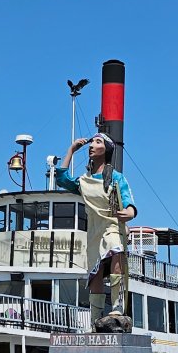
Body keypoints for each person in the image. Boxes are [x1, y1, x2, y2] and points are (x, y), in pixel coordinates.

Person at [55, 133, 137, 328]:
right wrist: (71, 150)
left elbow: (128, 199)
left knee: (116, 249)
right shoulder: (84, 181)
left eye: (97, 142)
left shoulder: (116, 177)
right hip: (94, 231)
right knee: (96, 272)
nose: (92, 145)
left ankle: (117, 305)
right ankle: (95, 316)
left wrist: (129, 212)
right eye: (91, 142)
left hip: (112, 226)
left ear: (106, 149)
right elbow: (62, 179)